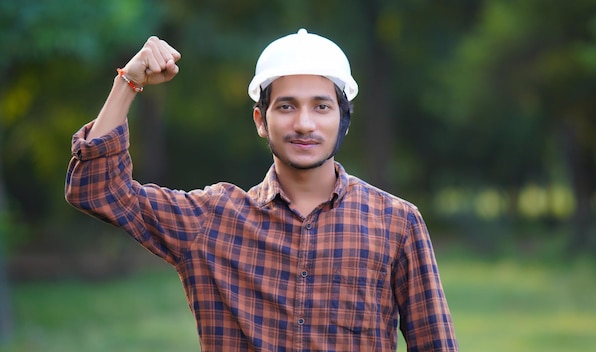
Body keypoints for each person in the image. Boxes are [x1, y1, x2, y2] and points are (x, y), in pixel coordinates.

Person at [65, 29, 458, 351]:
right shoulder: (212, 220)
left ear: (344, 120)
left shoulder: (396, 222)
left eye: (321, 107)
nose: (305, 124)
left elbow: (435, 344)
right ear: (260, 119)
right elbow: (95, 189)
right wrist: (128, 82)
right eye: (286, 107)